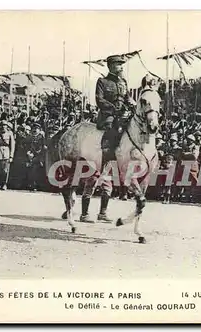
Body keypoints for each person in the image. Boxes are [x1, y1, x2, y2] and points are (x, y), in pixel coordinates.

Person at [81, 54, 135, 223]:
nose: (121, 67)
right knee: (112, 131)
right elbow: (100, 100)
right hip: (109, 117)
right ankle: (104, 153)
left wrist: (131, 104)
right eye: (118, 65)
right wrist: (114, 109)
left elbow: (127, 98)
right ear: (111, 66)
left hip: (122, 116)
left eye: (121, 65)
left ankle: (102, 213)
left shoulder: (123, 83)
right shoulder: (102, 82)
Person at [0, 120, 15, 190]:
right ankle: (0, 183)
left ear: (7, 126)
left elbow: (12, 145)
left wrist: (11, 156)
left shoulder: (9, 134)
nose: (3, 127)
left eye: (4, 125)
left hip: (6, 152)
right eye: (2, 125)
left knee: (5, 170)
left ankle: (4, 184)